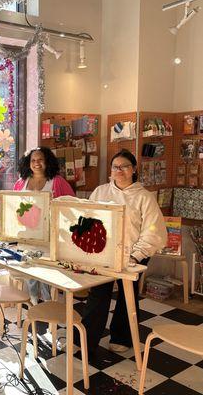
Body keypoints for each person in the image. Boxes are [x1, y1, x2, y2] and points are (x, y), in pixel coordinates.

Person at [78, 149, 166, 354]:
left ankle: (121, 337)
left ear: (134, 169)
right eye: (115, 167)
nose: (120, 170)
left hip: (134, 254)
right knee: (98, 294)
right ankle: (86, 339)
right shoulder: (100, 192)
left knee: (127, 297)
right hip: (103, 253)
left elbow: (153, 231)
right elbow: (87, 220)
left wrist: (136, 255)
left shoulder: (144, 197)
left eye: (124, 166)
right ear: (110, 170)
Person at [14, 147, 75, 305]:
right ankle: (34, 302)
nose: (37, 163)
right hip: (27, 234)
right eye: (33, 160)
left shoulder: (57, 181)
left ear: (47, 162)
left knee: (46, 269)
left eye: (40, 160)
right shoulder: (21, 182)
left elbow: (72, 204)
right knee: (30, 268)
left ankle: (47, 303)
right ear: (28, 163)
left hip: (49, 235)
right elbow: (13, 205)